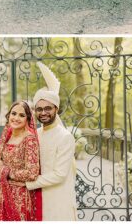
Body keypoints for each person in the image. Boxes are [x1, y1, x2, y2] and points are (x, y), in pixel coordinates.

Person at [26, 63, 78, 221]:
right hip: (37, 197)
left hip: (58, 197)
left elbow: (60, 174)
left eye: (48, 108)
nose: (43, 113)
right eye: (39, 109)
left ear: (56, 109)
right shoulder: (35, 134)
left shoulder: (65, 137)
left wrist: (27, 184)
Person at [0, 100, 41, 221]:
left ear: (28, 119)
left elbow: (32, 173)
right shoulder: (7, 135)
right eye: (14, 113)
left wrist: (4, 171)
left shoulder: (29, 140)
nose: (16, 118)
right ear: (9, 115)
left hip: (18, 199)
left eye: (22, 115)